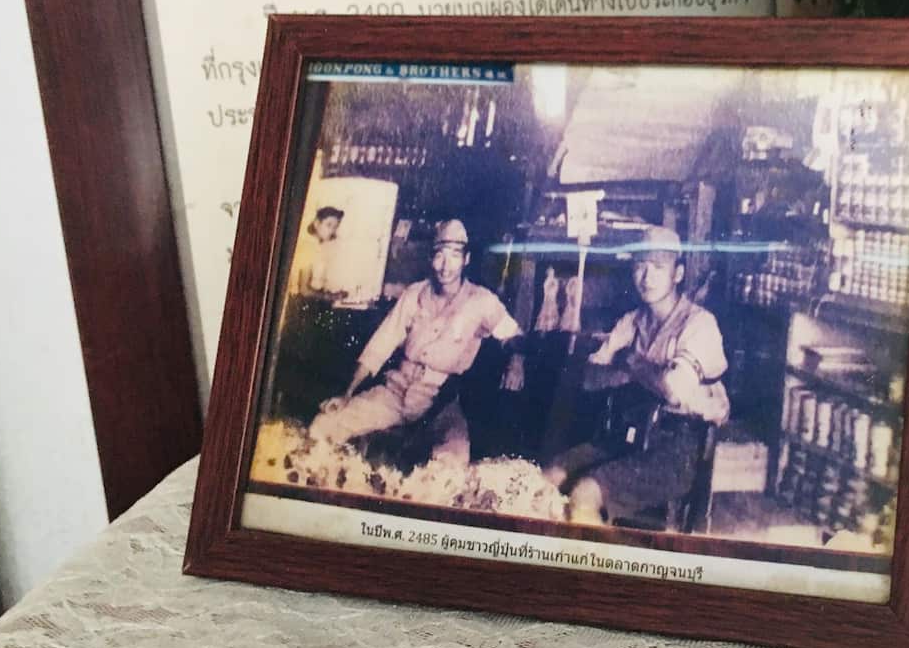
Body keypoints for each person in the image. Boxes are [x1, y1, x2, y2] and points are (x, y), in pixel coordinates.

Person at [546, 226, 730, 526]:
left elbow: (673, 391)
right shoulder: (631, 321)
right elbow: (589, 380)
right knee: (549, 476)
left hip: (676, 447)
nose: (647, 277)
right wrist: (637, 373)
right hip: (628, 433)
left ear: (678, 274)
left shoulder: (699, 323)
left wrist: (629, 361)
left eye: (658, 267)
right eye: (640, 266)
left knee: (584, 494)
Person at [307, 219, 525, 464]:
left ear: (466, 259)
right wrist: (347, 394)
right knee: (323, 425)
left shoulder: (482, 300)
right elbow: (380, 346)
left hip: (441, 402)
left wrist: (516, 361)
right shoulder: (414, 294)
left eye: (454, 256)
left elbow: (513, 335)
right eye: (439, 256)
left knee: (451, 461)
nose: (445, 266)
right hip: (395, 392)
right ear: (431, 259)